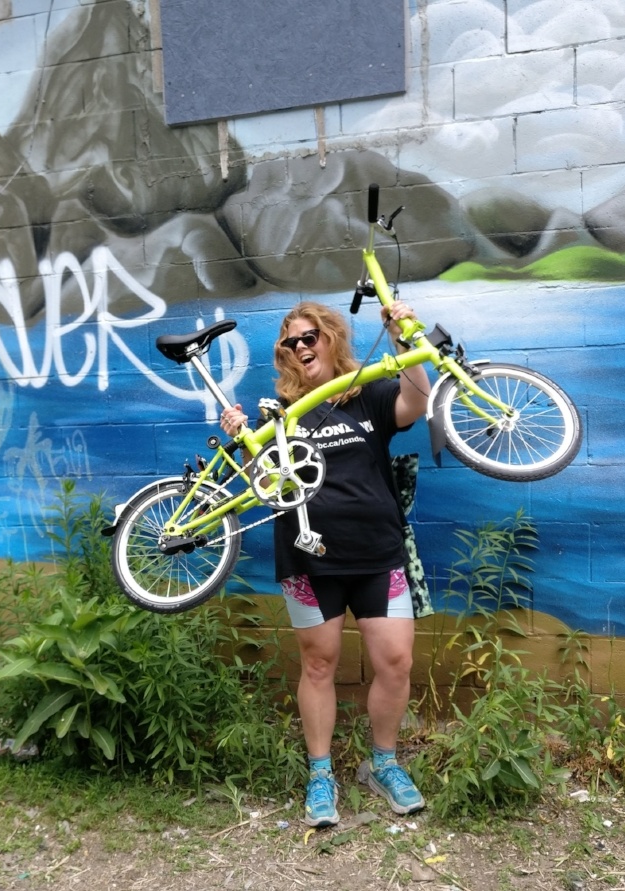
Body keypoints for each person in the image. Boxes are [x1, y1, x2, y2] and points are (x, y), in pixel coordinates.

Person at [220, 300, 430, 828]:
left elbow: (418, 403)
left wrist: (402, 336)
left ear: (332, 338)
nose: (302, 347)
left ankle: (383, 763)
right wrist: (243, 442)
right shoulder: (280, 416)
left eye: (310, 336)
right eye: (291, 343)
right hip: (307, 561)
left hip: (378, 554)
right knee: (318, 665)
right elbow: (263, 485)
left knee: (396, 662)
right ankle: (320, 775)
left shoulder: (370, 395)